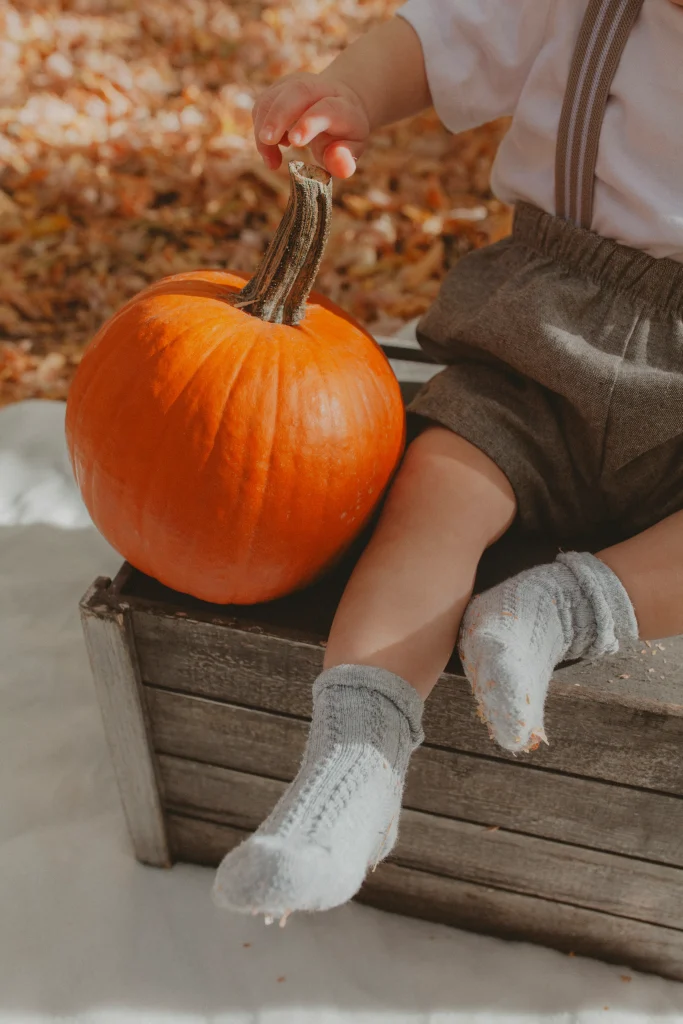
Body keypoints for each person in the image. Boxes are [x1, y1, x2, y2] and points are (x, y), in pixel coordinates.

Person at [213, 0, 683, 920]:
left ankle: (558, 607)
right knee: (440, 486)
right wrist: (349, 88)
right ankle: (352, 765)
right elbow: (442, 37)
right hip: (542, 337)